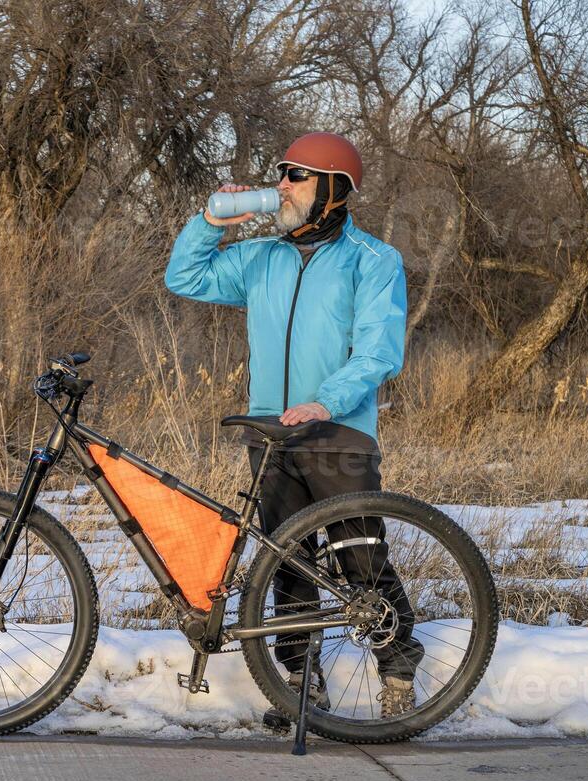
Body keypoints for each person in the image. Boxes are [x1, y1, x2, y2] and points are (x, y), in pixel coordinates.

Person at [163, 132, 424, 725]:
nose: (282, 183)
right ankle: (302, 683)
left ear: (333, 190)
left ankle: (399, 668)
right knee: (288, 562)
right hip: (269, 433)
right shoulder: (261, 257)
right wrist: (210, 221)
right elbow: (185, 277)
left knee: (361, 556)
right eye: (281, 172)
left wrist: (324, 403)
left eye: (297, 176)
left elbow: (380, 352)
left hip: (338, 432)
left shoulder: (373, 260)